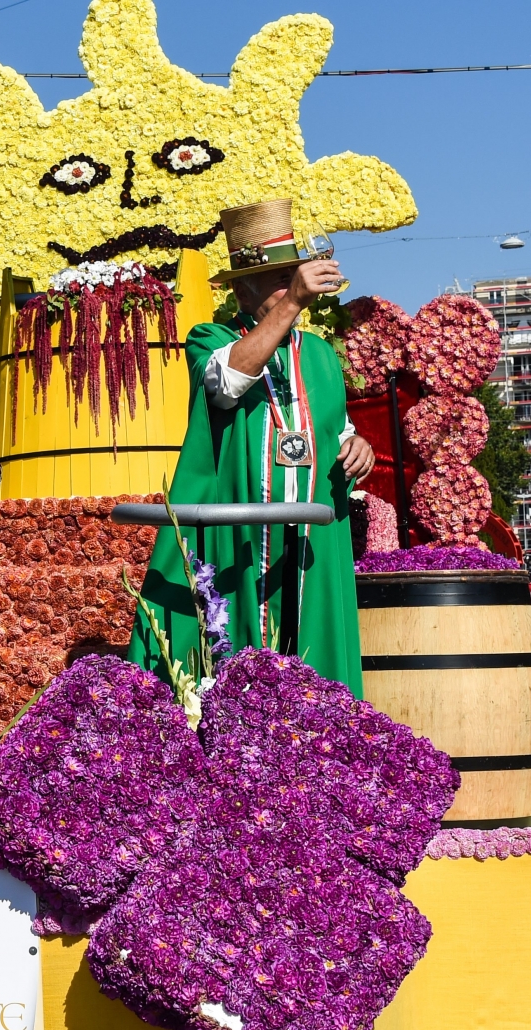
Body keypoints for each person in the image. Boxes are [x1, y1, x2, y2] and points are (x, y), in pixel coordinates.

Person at [130, 199, 375, 692]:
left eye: (295, 277)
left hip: (309, 543)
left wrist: (359, 447)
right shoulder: (210, 338)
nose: (294, 288)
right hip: (238, 539)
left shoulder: (322, 354)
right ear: (243, 289)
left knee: (314, 660)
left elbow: (336, 428)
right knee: (232, 652)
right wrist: (293, 304)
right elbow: (228, 383)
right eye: (281, 280)